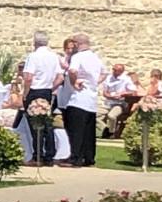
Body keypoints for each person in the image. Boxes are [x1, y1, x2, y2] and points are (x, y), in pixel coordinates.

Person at [21, 31, 63, 166]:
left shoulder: (33, 57)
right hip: (46, 91)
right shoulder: (53, 56)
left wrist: (25, 94)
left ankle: (37, 155)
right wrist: (50, 87)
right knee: (47, 124)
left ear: (35, 42)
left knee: (35, 125)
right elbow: (60, 77)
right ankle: (49, 155)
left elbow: (28, 77)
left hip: (34, 90)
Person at [63, 33, 103, 167]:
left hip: (79, 98)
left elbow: (72, 71)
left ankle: (75, 157)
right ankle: (89, 158)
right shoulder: (95, 58)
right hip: (91, 98)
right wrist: (94, 82)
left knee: (76, 130)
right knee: (88, 132)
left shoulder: (78, 56)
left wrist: (75, 83)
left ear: (77, 44)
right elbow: (104, 73)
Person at [98, 63, 135, 138]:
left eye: (115, 70)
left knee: (111, 116)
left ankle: (111, 132)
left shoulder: (126, 79)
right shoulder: (108, 78)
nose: (113, 71)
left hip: (119, 104)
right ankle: (106, 129)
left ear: (121, 71)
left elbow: (132, 91)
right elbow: (105, 92)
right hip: (108, 103)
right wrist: (109, 96)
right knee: (93, 114)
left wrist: (123, 94)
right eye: (113, 69)